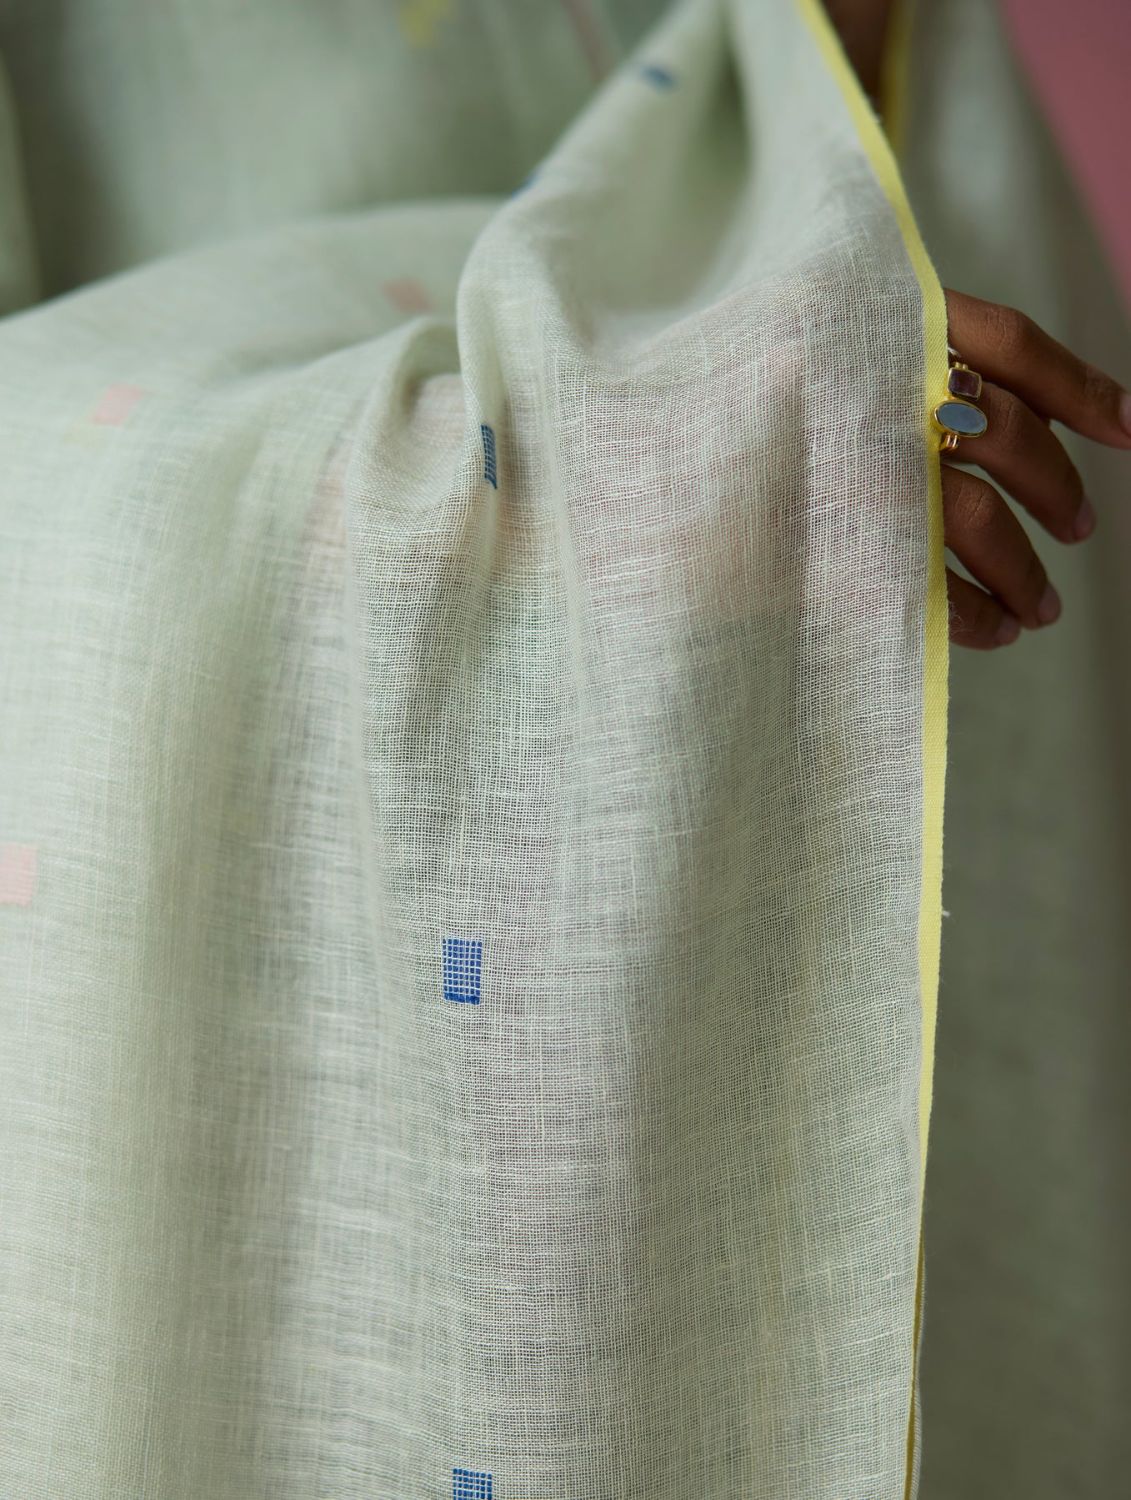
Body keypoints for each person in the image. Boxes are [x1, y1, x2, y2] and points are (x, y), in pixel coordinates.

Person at [0, 2, 1127, 1497]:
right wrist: (572, 482)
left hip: (797, 814)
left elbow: (882, 218)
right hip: (263, 907)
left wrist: (815, 370)